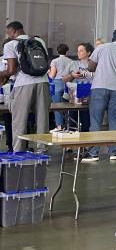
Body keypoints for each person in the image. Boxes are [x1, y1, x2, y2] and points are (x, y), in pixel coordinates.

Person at [83, 29, 116, 161]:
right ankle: (113, 152)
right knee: (114, 119)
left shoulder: (102, 48)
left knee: (96, 120)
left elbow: (90, 67)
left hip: (99, 87)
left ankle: (94, 152)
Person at [0, 21, 50, 152]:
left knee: (19, 119)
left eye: (9, 33)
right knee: (42, 118)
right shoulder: (39, 41)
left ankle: (19, 151)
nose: (9, 35)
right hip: (43, 82)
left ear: (14, 31)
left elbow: (11, 70)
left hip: (24, 83)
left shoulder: (10, 44)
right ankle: (42, 149)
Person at [49, 44, 78, 129]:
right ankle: (70, 125)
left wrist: (48, 72)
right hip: (68, 84)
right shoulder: (71, 61)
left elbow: (52, 75)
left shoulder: (55, 61)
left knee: (57, 107)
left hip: (57, 84)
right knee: (69, 106)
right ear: (67, 51)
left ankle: (59, 127)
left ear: (57, 51)